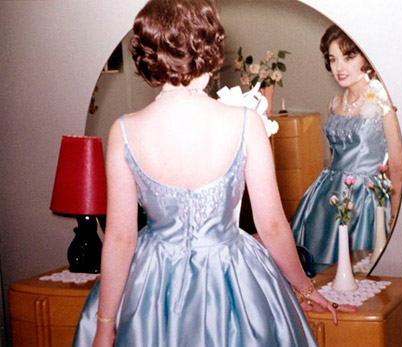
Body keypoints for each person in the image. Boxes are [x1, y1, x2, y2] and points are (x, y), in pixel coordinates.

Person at [73, 1, 355, 346]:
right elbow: (272, 226)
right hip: (232, 277)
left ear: (148, 55)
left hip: (152, 282)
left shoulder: (125, 130)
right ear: (209, 47)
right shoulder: (244, 123)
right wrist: (306, 289)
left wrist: (105, 325)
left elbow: (120, 239)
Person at [291, 24, 402, 265]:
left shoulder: (382, 101)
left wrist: (395, 216)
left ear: (366, 57)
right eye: (333, 59)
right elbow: (334, 157)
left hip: (365, 200)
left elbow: (397, 166)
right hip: (326, 198)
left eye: (348, 57)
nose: (339, 67)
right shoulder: (333, 104)